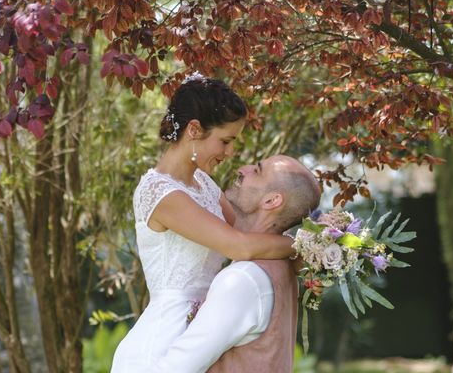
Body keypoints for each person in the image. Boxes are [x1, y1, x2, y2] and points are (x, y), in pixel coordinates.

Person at [111, 76, 297, 372]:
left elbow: (247, 235)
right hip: (162, 345)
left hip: (204, 336)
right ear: (194, 130)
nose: (230, 153)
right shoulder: (161, 193)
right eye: (225, 141)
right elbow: (240, 246)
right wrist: (307, 246)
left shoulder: (204, 185)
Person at [151, 155, 321, 373]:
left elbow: (174, 369)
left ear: (271, 201)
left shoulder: (243, 279)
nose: (243, 169)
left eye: (257, 171)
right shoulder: (282, 267)